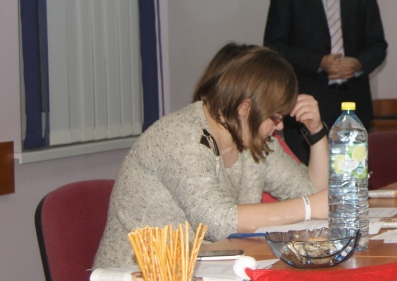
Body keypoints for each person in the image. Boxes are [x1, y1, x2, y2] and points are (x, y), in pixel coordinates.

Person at [93, 46, 330, 268]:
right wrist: (309, 207)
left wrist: (317, 132)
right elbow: (218, 222)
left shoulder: (250, 138)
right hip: (134, 279)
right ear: (245, 108)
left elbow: (312, 191)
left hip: (198, 274)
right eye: (275, 118)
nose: (279, 127)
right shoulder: (179, 135)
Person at [264, 0, 387, 161]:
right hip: (304, 106)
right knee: (308, 178)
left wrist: (357, 63)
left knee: (353, 177)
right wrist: (318, 61)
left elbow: (378, 44)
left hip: (354, 105)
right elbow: (274, 46)